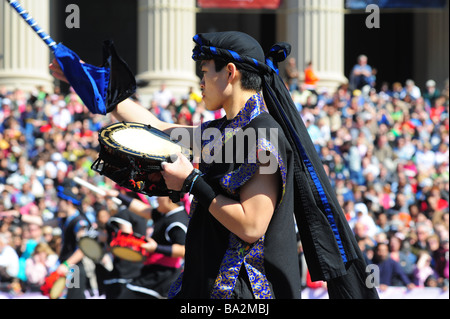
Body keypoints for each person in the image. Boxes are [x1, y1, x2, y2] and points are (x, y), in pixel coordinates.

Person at [50, 31, 378, 299]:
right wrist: (91, 84)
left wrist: (193, 182)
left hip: (246, 295)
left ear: (230, 73)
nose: (201, 83)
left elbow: (251, 225)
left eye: (205, 72)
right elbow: (160, 129)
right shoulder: (222, 131)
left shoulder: (263, 133)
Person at [105, 192, 189, 299]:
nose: (156, 199)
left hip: (161, 275)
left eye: (159, 195)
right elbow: (142, 209)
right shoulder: (166, 214)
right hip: (153, 272)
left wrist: (156, 248)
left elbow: (184, 250)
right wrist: (117, 194)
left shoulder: (177, 221)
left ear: (171, 198)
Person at [54, 184, 96, 299]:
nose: (57, 203)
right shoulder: (64, 220)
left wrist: (67, 264)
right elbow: (41, 222)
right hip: (67, 267)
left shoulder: (80, 222)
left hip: (74, 268)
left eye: (60, 201)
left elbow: (83, 248)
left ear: (68, 202)